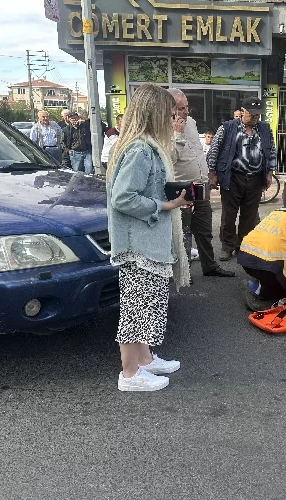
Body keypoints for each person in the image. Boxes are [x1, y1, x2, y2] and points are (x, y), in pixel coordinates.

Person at [105, 83, 190, 392]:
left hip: (144, 240)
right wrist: (165, 204)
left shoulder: (144, 146)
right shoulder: (140, 149)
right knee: (135, 308)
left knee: (145, 305)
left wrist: (170, 198)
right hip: (139, 243)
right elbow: (123, 198)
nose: (174, 119)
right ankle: (130, 374)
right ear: (154, 114)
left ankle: (144, 359)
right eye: (169, 114)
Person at [168, 88, 234, 279]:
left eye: (186, 107)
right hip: (180, 187)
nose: (186, 112)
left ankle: (209, 265)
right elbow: (169, 159)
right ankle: (183, 272)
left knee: (204, 230)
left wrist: (207, 177)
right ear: (169, 108)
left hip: (199, 185)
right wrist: (177, 135)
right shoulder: (164, 126)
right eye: (181, 108)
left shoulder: (192, 122)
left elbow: (197, 153)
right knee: (182, 232)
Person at [207, 97, 277, 261]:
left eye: (258, 115)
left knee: (249, 216)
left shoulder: (265, 129)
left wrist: (269, 173)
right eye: (252, 114)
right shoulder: (228, 127)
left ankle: (243, 246)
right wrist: (212, 173)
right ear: (242, 111)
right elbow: (214, 150)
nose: (255, 118)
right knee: (228, 216)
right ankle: (227, 246)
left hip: (255, 179)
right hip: (233, 178)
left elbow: (271, 151)